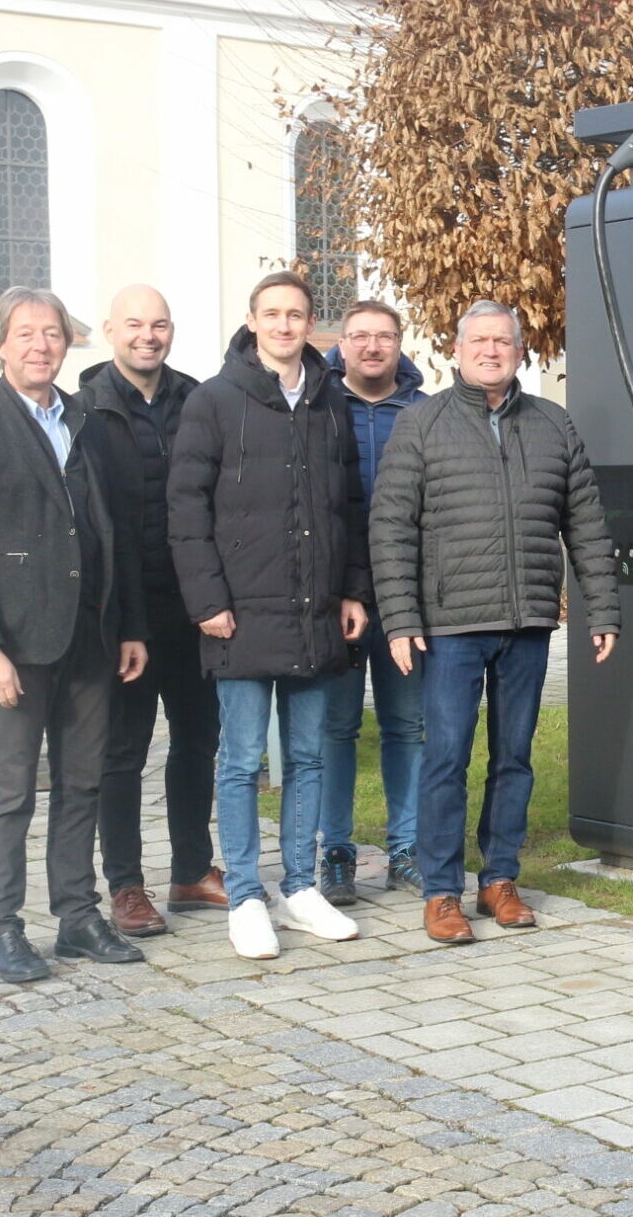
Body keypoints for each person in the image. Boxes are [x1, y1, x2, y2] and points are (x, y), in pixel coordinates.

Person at [369, 300, 621, 945]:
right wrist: (399, 619)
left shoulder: (553, 425)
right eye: (479, 341)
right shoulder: (421, 424)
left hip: (528, 620)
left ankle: (499, 879)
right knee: (445, 758)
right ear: (456, 351)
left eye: (502, 341)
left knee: (514, 758)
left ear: (519, 351)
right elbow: (391, 528)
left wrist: (603, 607)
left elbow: (586, 524)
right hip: (451, 623)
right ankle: (441, 891)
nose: (490, 350)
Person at [0, 286, 150, 983]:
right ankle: (0, 927)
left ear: (66, 344)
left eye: (51, 333)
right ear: (0, 345)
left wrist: (131, 627)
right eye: (24, 333)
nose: (39, 345)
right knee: (11, 791)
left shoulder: (87, 425)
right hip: (18, 647)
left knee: (84, 782)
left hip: (90, 637)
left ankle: (79, 918)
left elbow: (118, 535)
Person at [166, 270, 371, 960]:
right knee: (243, 760)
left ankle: (301, 886)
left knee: (308, 756)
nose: (285, 326)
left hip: (315, 610)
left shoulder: (329, 401)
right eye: (272, 314)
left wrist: (352, 590)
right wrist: (207, 602)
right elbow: (186, 510)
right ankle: (248, 895)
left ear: (311, 325)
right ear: (252, 321)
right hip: (240, 614)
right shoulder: (215, 401)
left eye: (297, 315)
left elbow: (349, 504)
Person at [72, 284, 224, 934]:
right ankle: (126, 886)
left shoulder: (198, 403)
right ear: (109, 330)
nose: (148, 336)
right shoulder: (84, 410)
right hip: (122, 617)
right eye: (134, 324)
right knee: (122, 752)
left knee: (198, 742)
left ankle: (192, 870)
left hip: (194, 610)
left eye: (159, 324)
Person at [318, 300, 428, 900]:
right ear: (343, 344)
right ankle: (336, 851)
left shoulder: (425, 411)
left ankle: (406, 849)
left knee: (407, 725)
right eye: (359, 336)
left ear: (398, 343)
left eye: (383, 336)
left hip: (405, 592)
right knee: (335, 727)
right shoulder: (316, 404)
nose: (371, 347)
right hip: (334, 594)